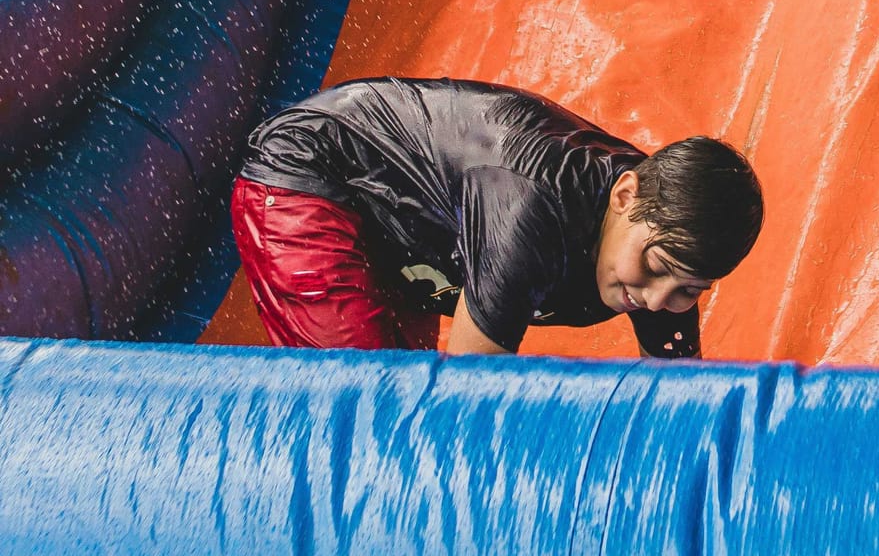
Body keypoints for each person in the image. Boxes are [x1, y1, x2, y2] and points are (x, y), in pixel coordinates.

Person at [231, 76, 764, 357]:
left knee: (403, 393)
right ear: (624, 196)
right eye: (655, 268)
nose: (656, 301)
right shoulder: (529, 213)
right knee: (366, 404)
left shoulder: (670, 247)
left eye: (689, 291)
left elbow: (678, 404)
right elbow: (469, 401)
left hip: (411, 233)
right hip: (318, 171)